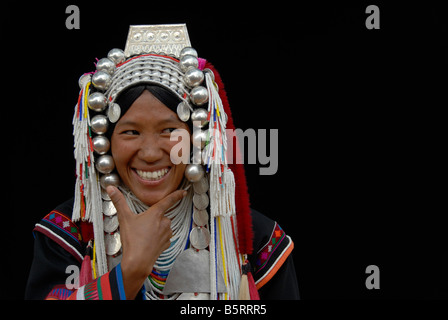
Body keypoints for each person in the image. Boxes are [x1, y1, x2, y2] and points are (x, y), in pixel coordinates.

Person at [25, 24, 299, 300]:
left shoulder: (252, 241)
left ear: (196, 138)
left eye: (169, 131)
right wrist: (130, 273)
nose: (151, 153)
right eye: (131, 132)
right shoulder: (70, 236)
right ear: (104, 140)